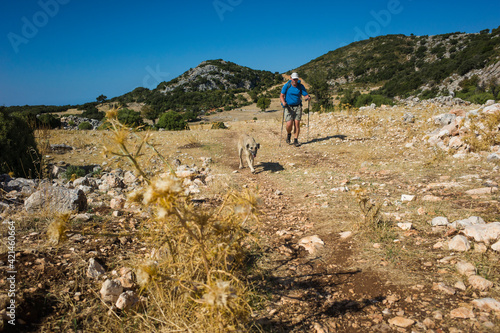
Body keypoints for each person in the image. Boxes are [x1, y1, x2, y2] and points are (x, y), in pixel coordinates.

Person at [280, 72, 311, 147]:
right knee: (289, 124)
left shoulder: (300, 86)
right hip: (288, 106)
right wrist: (283, 102)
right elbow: (281, 95)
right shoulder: (287, 85)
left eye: (296, 79)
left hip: (298, 106)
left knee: (297, 124)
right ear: (291, 78)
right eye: (293, 79)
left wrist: (308, 97)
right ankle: (289, 134)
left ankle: (296, 140)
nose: (295, 80)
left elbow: (305, 94)